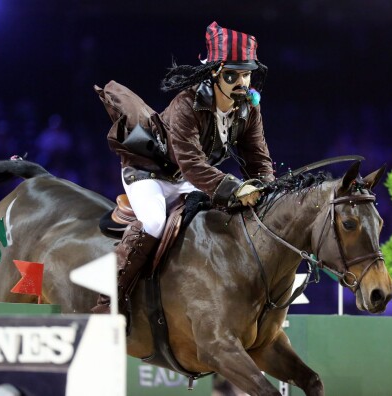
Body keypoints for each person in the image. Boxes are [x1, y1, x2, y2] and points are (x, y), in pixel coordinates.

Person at [93, 21, 275, 314]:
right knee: (153, 222)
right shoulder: (186, 104)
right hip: (147, 172)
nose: (242, 83)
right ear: (215, 72)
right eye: (234, 75)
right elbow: (190, 163)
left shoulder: (249, 108)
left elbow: (257, 157)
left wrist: (268, 187)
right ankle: (108, 302)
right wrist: (235, 187)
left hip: (188, 178)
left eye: (247, 74)